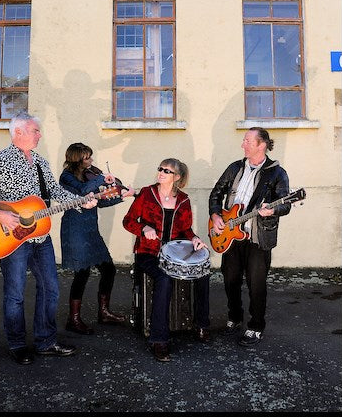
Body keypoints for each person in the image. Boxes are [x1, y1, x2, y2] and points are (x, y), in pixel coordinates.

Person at [0, 111, 98, 365]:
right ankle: (16, 344)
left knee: (51, 289)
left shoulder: (40, 162)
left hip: (39, 235)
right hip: (10, 238)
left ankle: (45, 341)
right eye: (35, 130)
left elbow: (55, 191)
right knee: (15, 294)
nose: (39, 134)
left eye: (38, 130)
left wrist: (81, 202)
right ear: (19, 132)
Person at [208, 126, 290, 346]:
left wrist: (272, 210)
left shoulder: (276, 173)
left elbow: (286, 204)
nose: (242, 144)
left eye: (247, 141)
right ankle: (234, 317)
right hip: (230, 233)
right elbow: (217, 192)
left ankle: (256, 326)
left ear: (261, 145)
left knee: (256, 284)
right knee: (230, 279)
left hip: (258, 236)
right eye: (244, 140)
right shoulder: (235, 167)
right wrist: (216, 215)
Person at [123, 158, 211, 362]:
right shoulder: (146, 193)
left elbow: (186, 229)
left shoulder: (183, 200)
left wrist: (195, 239)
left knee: (203, 272)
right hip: (148, 253)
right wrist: (144, 228)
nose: (161, 173)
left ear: (177, 177)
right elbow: (128, 221)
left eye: (167, 171)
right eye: (160, 169)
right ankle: (159, 339)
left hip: (174, 254)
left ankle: (201, 325)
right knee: (164, 279)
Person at [59, 142, 136, 335]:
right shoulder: (67, 177)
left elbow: (99, 202)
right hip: (75, 228)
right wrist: (101, 178)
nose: (91, 160)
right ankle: (73, 319)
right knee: (82, 273)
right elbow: (84, 190)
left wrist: (122, 195)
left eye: (90, 156)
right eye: (87, 157)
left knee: (108, 269)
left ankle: (104, 312)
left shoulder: (88, 175)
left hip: (91, 229)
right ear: (77, 158)